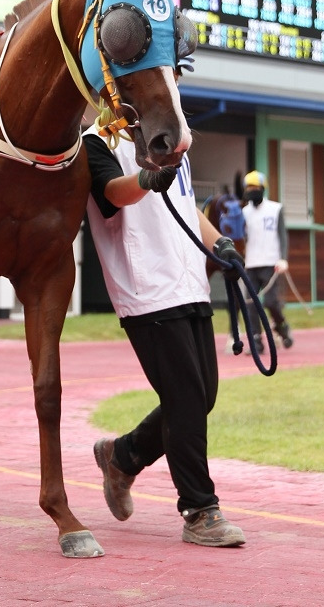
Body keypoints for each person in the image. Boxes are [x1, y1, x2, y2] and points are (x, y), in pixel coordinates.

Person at [83, 122, 246, 548]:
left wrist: (219, 243)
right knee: (186, 399)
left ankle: (123, 457)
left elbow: (185, 203)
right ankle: (199, 510)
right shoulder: (96, 141)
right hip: (147, 287)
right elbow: (113, 194)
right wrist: (146, 178)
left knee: (201, 396)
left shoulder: (171, 139)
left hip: (188, 280)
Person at [242, 170, 292, 351]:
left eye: (255, 187)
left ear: (263, 189)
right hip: (251, 264)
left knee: (271, 302)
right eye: (249, 188)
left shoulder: (275, 208)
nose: (252, 191)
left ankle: (282, 327)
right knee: (251, 305)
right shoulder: (244, 212)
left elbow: (282, 235)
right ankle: (256, 341)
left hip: (272, 263)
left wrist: (283, 259)